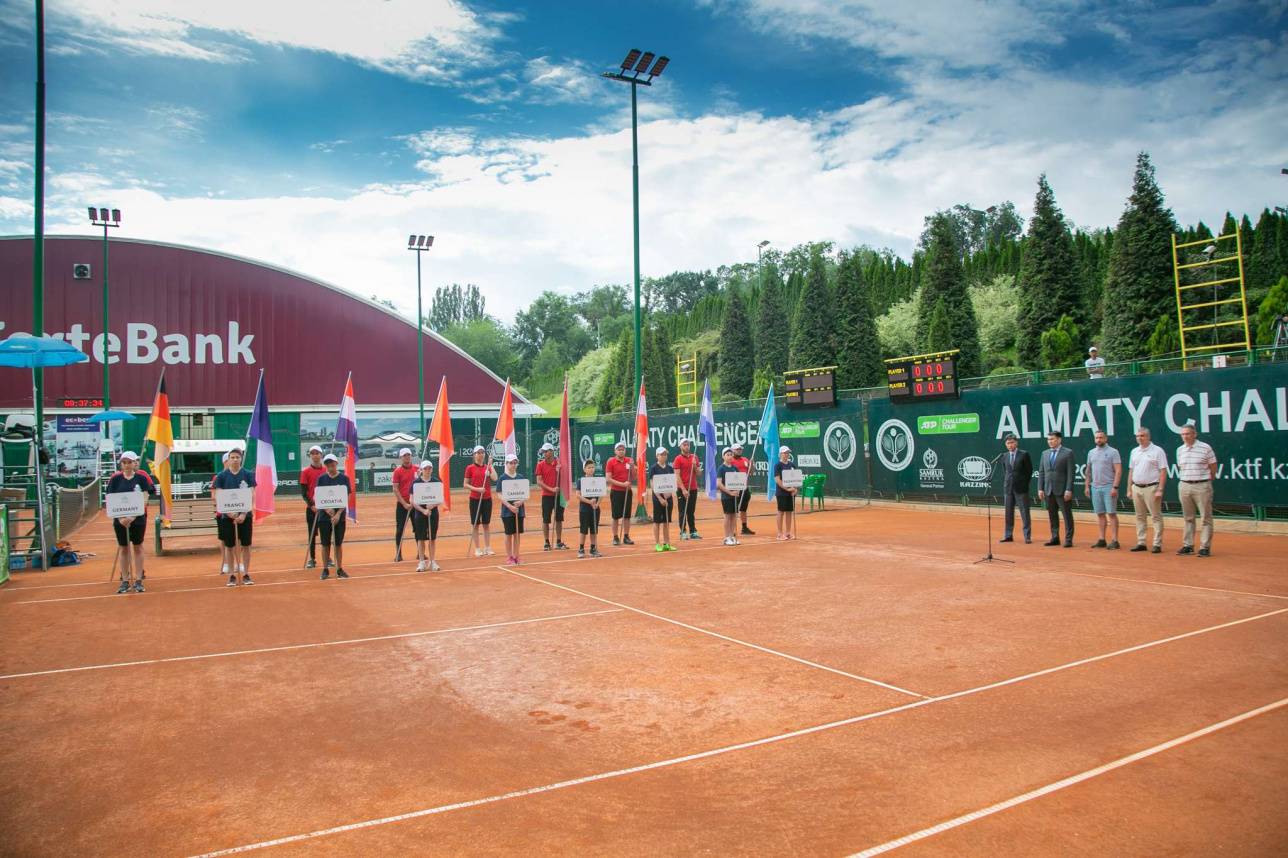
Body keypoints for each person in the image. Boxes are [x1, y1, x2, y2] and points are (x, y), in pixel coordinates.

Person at [106, 450, 156, 593]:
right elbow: (111, 499)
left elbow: (145, 497)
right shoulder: (115, 479)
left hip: (138, 519)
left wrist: (133, 516)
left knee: (138, 546)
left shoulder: (141, 478)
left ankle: (139, 579)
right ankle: (125, 580)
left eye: (130, 462)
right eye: (124, 462)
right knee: (123, 548)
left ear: (135, 463)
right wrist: (121, 518)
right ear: (121, 464)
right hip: (120, 520)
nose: (127, 465)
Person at [213, 447, 256, 585]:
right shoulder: (221, 476)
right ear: (228, 459)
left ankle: (246, 573)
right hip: (227, 518)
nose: (235, 459)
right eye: (232, 457)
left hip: (245, 516)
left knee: (247, 545)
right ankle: (231, 575)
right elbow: (219, 497)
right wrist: (230, 514)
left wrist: (244, 513)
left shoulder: (248, 475)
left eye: (237, 457)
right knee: (229, 546)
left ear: (241, 459)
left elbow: (251, 494)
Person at [1175, 424, 1217, 557]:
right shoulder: (1180, 449)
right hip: (1184, 485)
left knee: (1206, 518)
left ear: (1194, 434)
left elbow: (1213, 466)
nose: (1185, 436)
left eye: (1187, 434)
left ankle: (1205, 547)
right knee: (1188, 517)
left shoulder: (1205, 448)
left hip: (1202, 486)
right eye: (1183, 434)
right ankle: (1188, 545)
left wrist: (1206, 481)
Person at [1127, 427, 1168, 554]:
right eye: (1138, 436)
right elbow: (1131, 471)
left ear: (1148, 437)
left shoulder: (1157, 451)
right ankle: (1141, 542)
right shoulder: (1134, 451)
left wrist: (1160, 489)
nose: (1140, 438)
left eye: (1142, 436)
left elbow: (1163, 471)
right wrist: (1129, 488)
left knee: (1155, 516)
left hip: (1152, 488)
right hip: (1136, 487)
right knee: (1139, 516)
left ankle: (1157, 544)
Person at [316, 453, 352, 579]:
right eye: (327, 463)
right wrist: (327, 509)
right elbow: (318, 497)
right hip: (324, 517)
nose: (330, 465)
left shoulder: (344, 479)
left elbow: (346, 497)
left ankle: (339, 568)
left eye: (332, 463)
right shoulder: (321, 479)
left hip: (339, 518)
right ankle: (325, 569)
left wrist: (338, 513)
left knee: (338, 544)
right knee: (325, 544)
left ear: (336, 463)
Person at [1085, 430, 1122, 549]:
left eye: (1101, 437)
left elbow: (1118, 470)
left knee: (1111, 513)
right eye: (1097, 438)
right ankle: (1102, 539)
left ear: (1106, 439)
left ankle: (1115, 540)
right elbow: (1088, 471)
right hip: (1095, 487)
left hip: (1108, 486)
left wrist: (1115, 487)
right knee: (1100, 514)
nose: (1098, 439)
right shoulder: (1091, 453)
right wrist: (1087, 486)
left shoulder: (1113, 452)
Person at [1037, 430, 1075, 547]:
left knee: (1066, 515)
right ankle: (1055, 537)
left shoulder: (1068, 453)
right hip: (1048, 490)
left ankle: (1068, 539)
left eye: (1052, 439)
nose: (1050, 442)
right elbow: (1042, 472)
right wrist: (1040, 488)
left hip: (1062, 490)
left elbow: (1071, 473)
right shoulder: (1045, 453)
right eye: (1048, 439)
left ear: (1059, 440)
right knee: (1052, 515)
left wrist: (1069, 489)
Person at [999, 435, 1033, 544]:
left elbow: (1029, 471)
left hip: (1021, 488)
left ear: (1016, 443)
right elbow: (1005, 472)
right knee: (1008, 512)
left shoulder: (1024, 454)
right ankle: (1008, 535)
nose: (1010, 445)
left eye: (1012, 442)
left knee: (1024, 512)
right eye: (1008, 443)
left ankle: (1027, 536)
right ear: (1006, 444)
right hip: (1008, 488)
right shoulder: (1004, 456)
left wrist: (1024, 484)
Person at [464, 445, 497, 557]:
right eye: (478, 453)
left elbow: (495, 478)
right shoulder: (470, 468)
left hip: (487, 499)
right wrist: (477, 489)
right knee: (476, 525)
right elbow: (465, 484)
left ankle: (487, 547)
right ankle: (477, 549)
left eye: (482, 452)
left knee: (486, 524)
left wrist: (491, 467)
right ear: (474, 455)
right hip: (475, 499)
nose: (481, 454)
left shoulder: (488, 467)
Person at [410, 459, 442, 572]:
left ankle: (432, 561)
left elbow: (440, 499)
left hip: (433, 514)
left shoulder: (436, 482)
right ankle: (422, 562)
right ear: (421, 470)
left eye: (429, 468)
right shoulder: (415, 483)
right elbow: (412, 500)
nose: (427, 470)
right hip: (420, 514)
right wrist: (423, 510)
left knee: (432, 538)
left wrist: (431, 506)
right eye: (425, 469)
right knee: (420, 538)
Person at [535, 442, 567, 551]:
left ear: (551, 452)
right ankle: (547, 542)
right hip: (547, 496)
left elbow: (566, 478)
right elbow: (539, 481)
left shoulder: (559, 463)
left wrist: (561, 470)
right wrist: (551, 489)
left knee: (559, 519)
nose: (544, 454)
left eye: (545, 451)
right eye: (543, 452)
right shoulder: (540, 465)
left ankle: (558, 541)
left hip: (559, 496)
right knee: (546, 520)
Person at [496, 453, 527, 565]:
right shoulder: (502, 478)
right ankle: (509, 557)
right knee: (508, 534)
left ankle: (517, 556)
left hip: (519, 511)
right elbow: (499, 494)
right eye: (510, 463)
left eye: (515, 463)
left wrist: (521, 502)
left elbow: (525, 494)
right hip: (507, 512)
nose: (513, 465)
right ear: (506, 464)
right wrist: (509, 506)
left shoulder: (521, 477)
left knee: (517, 534)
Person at [300, 445, 327, 569]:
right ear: (310, 456)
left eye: (317, 453)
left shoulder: (326, 470)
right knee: (311, 534)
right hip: (312, 509)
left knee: (325, 533)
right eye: (313, 453)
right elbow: (304, 493)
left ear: (321, 455)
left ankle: (327, 557)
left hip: (325, 508)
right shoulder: (305, 472)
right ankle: (312, 558)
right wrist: (312, 506)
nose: (315, 455)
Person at [605, 441, 635, 546]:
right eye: (619, 449)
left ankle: (626, 536)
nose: (621, 451)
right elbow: (608, 479)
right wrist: (622, 484)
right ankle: (615, 537)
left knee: (627, 516)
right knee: (616, 516)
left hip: (627, 492)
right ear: (615, 451)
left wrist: (632, 467)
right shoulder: (611, 462)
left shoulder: (629, 460)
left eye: (622, 449)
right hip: (616, 492)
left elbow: (633, 477)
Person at [648, 446, 676, 552]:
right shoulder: (653, 468)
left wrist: (668, 496)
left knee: (666, 521)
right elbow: (652, 485)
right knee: (657, 521)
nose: (664, 456)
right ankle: (657, 544)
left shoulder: (669, 468)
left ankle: (667, 543)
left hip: (668, 498)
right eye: (661, 454)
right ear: (657, 456)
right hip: (657, 498)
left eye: (665, 454)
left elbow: (672, 484)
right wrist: (660, 498)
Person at [673, 437, 702, 541]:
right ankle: (683, 532)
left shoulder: (694, 457)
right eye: (684, 444)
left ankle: (693, 531)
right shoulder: (678, 459)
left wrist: (694, 466)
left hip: (693, 488)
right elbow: (677, 476)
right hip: (682, 489)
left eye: (688, 444)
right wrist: (683, 489)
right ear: (680, 447)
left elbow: (698, 473)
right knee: (682, 511)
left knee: (691, 511)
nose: (686, 446)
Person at [391, 447, 416, 562]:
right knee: (400, 529)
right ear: (401, 457)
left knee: (419, 529)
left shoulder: (417, 469)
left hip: (416, 505)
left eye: (408, 455)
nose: (407, 457)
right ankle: (398, 554)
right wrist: (405, 504)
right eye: (404, 455)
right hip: (402, 505)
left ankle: (420, 553)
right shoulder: (397, 471)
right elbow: (395, 489)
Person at [575, 458, 603, 558]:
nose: (591, 469)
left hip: (595, 509)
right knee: (583, 529)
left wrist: (597, 504)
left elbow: (601, 494)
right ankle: (581, 549)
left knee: (594, 529)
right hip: (584, 509)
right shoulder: (580, 481)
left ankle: (593, 549)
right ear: (584, 469)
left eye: (592, 467)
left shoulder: (598, 480)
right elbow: (578, 495)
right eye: (588, 467)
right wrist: (589, 502)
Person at [716, 448, 741, 545]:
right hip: (726, 497)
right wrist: (729, 492)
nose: (730, 456)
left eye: (731, 454)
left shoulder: (735, 468)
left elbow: (739, 482)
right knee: (727, 516)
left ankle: (732, 536)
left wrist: (738, 490)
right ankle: (726, 537)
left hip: (735, 496)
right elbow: (719, 484)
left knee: (734, 516)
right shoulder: (721, 468)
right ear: (723, 456)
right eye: (728, 454)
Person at [772, 445, 799, 540]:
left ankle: (788, 532)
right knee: (781, 512)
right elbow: (777, 479)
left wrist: (795, 489)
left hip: (791, 493)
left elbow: (795, 479)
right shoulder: (777, 465)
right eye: (784, 453)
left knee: (789, 512)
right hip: (781, 493)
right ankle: (780, 534)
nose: (786, 454)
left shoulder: (792, 465)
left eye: (787, 453)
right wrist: (786, 489)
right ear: (780, 454)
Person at [730, 442, 755, 535]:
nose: (739, 451)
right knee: (733, 510)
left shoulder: (745, 459)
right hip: (734, 489)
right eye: (737, 449)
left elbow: (751, 472)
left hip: (745, 489)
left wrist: (752, 464)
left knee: (743, 509)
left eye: (740, 449)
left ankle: (744, 528)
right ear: (732, 451)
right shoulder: (730, 460)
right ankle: (731, 529)